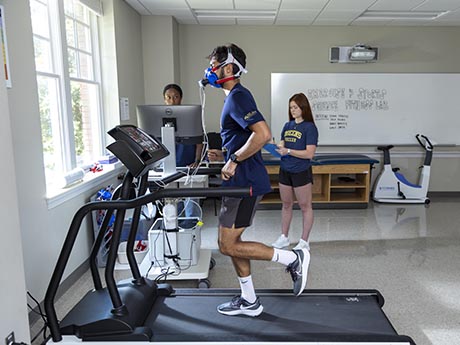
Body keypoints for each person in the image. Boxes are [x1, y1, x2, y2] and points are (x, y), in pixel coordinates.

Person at [201, 43, 310, 317]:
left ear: (229, 67)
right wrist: (225, 154)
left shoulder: (238, 96)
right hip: (239, 181)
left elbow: (262, 135)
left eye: (214, 64)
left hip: (244, 182)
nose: (210, 70)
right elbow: (244, 136)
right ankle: (249, 301)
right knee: (233, 242)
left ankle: (292, 258)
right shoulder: (233, 98)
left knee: (227, 244)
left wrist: (234, 159)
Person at [272, 93, 318, 251]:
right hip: (285, 169)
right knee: (286, 205)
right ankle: (284, 237)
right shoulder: (287, 125)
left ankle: (304, 241)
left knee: (305, 206)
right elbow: (281, 148)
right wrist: (274, 146)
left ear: (303, 108)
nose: (292, 110)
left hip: (301, 170)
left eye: (295, 107)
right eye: (291, 107)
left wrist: (288, 151)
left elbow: (309, 154)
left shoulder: (310, 127)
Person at [163, 84, 204, 168]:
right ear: (164, 99)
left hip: (188, 164)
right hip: (165, 164)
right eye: (168, 97)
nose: (172, 101)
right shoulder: (158, 118)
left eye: (176, 97)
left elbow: (199, 142)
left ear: (181, 98)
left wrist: (197, 161)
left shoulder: (191, 116)